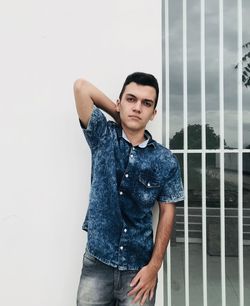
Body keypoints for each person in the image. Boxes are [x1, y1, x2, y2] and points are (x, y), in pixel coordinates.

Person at [73, 72, 184, 306]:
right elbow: (81, 87)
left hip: (139, 271)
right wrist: (119, 115)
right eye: (131, 99)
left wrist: (154, 267)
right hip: (97, 263)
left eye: (146, 104)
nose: (137, 108)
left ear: (153, 114)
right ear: (119, 102)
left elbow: (168, 212)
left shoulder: (165, 160)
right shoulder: (103, 136)